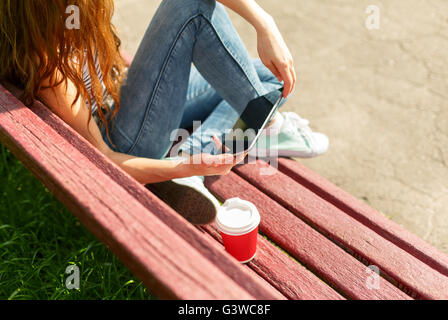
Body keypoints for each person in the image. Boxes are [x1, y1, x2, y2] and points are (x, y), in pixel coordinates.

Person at [0, 0, 328, 225]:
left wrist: (264, 23)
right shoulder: (49, 67)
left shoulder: (58, 22)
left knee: (270, 77)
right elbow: (104, 160)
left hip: (122, 102)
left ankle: (259, 122)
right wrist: (181, 167)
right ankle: (258, 125)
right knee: (188, 8)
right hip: (124, 141)